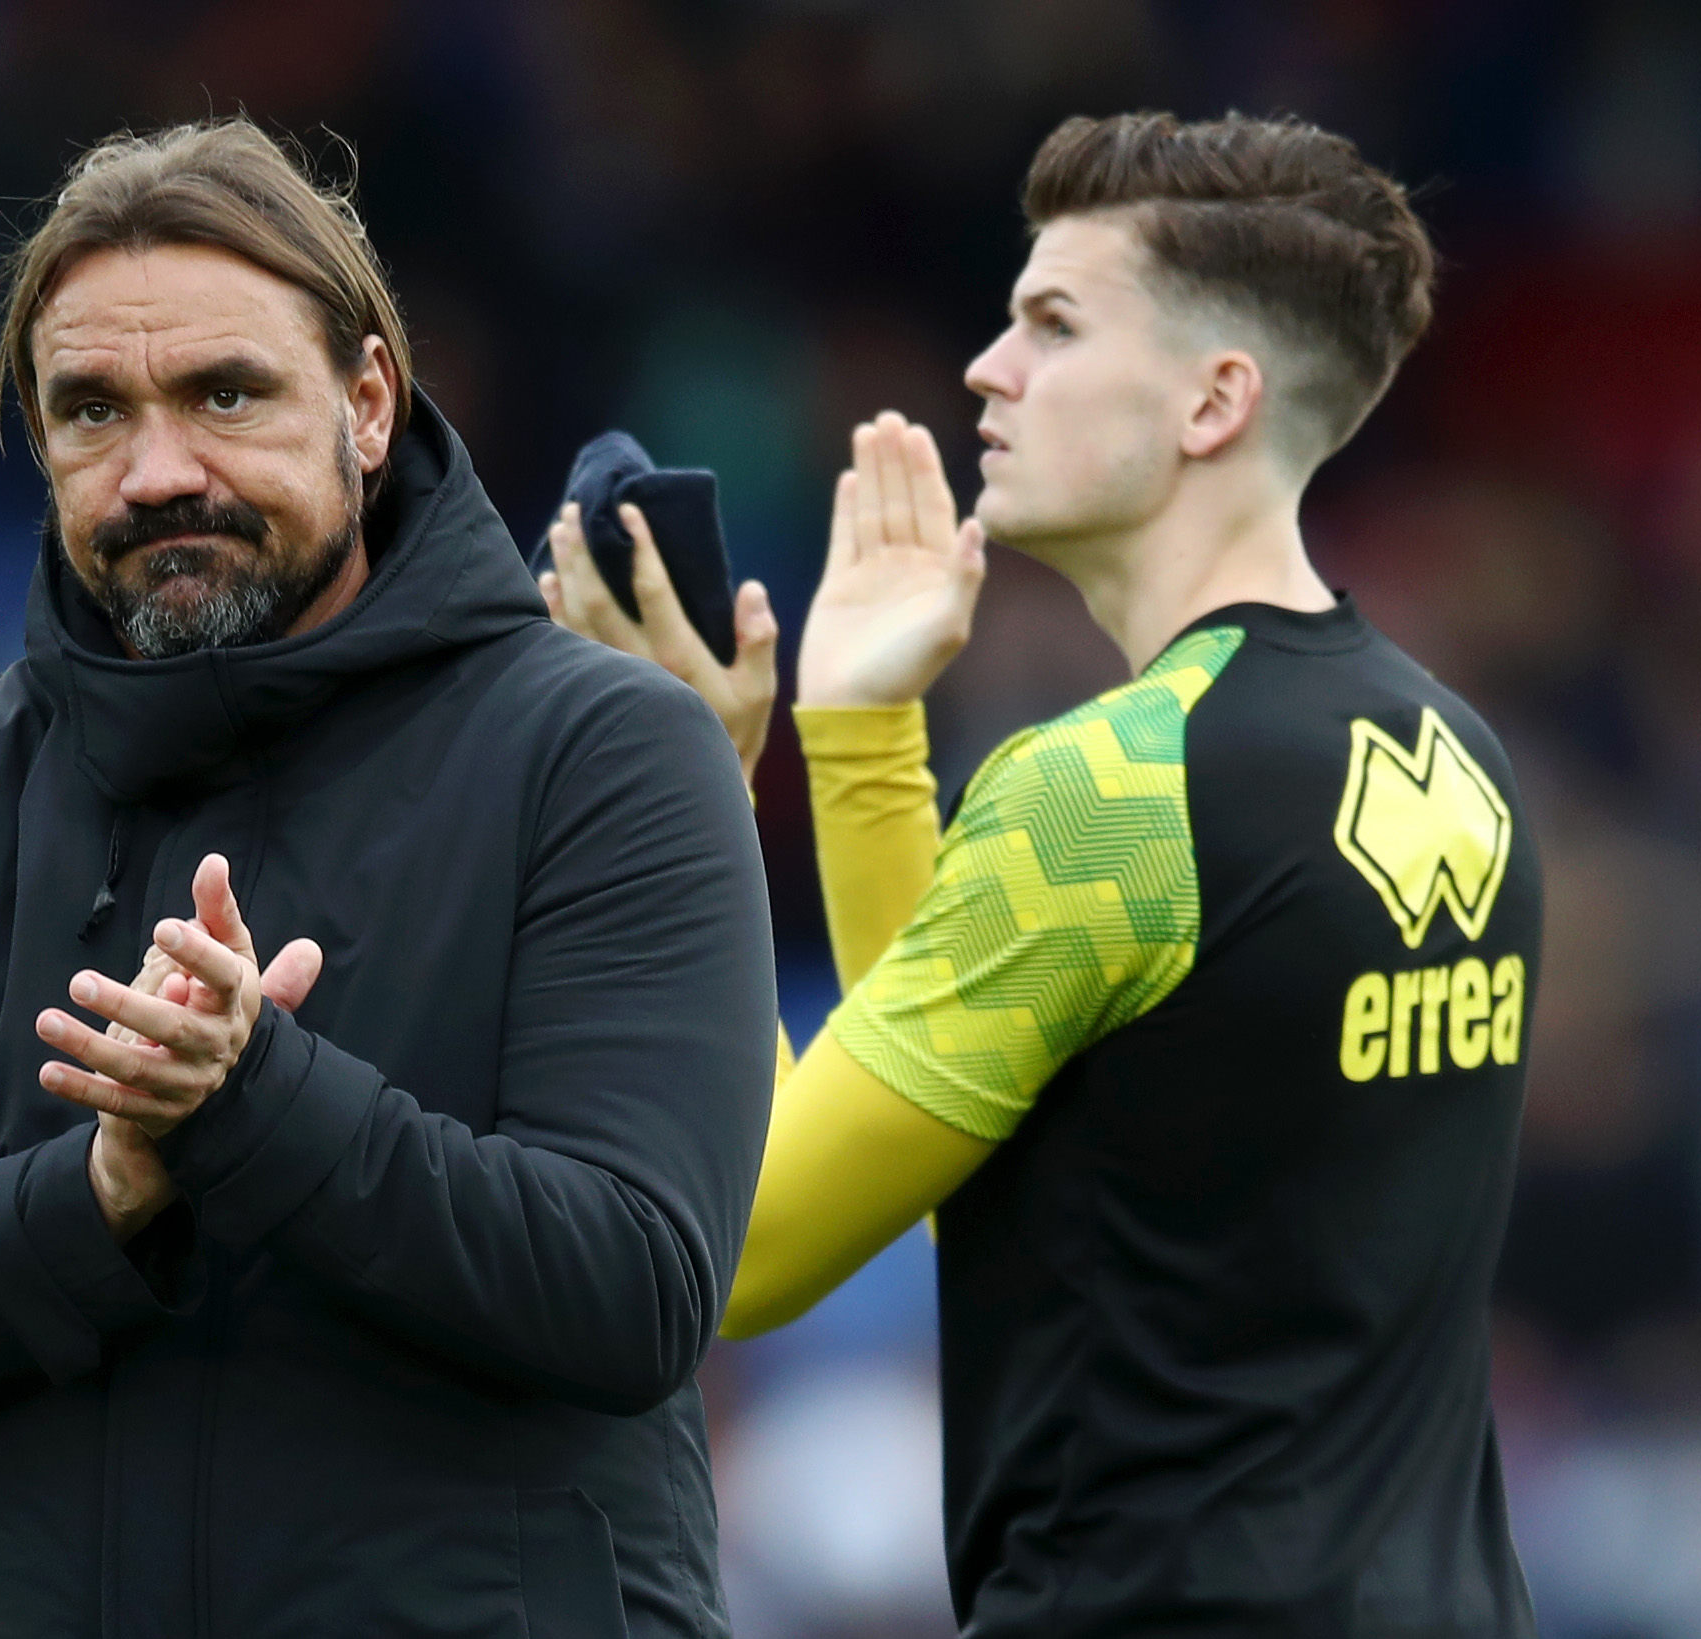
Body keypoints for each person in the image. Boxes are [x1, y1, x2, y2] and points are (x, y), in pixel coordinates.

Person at [0, 119, 777, 1638]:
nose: (159, 473)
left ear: (366, 404)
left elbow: (635, 1291)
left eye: (225, 394)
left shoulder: (606, 746)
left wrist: (253, 1104)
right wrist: (102, 1193)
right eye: (93, 411)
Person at [550, 111, 1539, 1637]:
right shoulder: (1459, 758)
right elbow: (1001, 1181)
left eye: (1054, 325)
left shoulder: (1116, 791)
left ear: (1215, 400)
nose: (986, 369)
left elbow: (733, 1249)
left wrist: (683, 800)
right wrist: (861, 733)